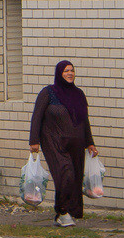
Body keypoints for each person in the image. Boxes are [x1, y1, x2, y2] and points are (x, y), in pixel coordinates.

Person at [29, 60, 99, 227]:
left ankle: (69, 211)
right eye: (66, 71)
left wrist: (90, 143)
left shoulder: (78, 94)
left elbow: (84, 121)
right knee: (65, 174)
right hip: (54, 142)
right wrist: (34, 141)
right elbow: (37, 116)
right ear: (59, 73)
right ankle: (62, 211)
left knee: (74, 178)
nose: (70, 73)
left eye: (72, 71)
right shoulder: (48, 93)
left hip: (76, 143)